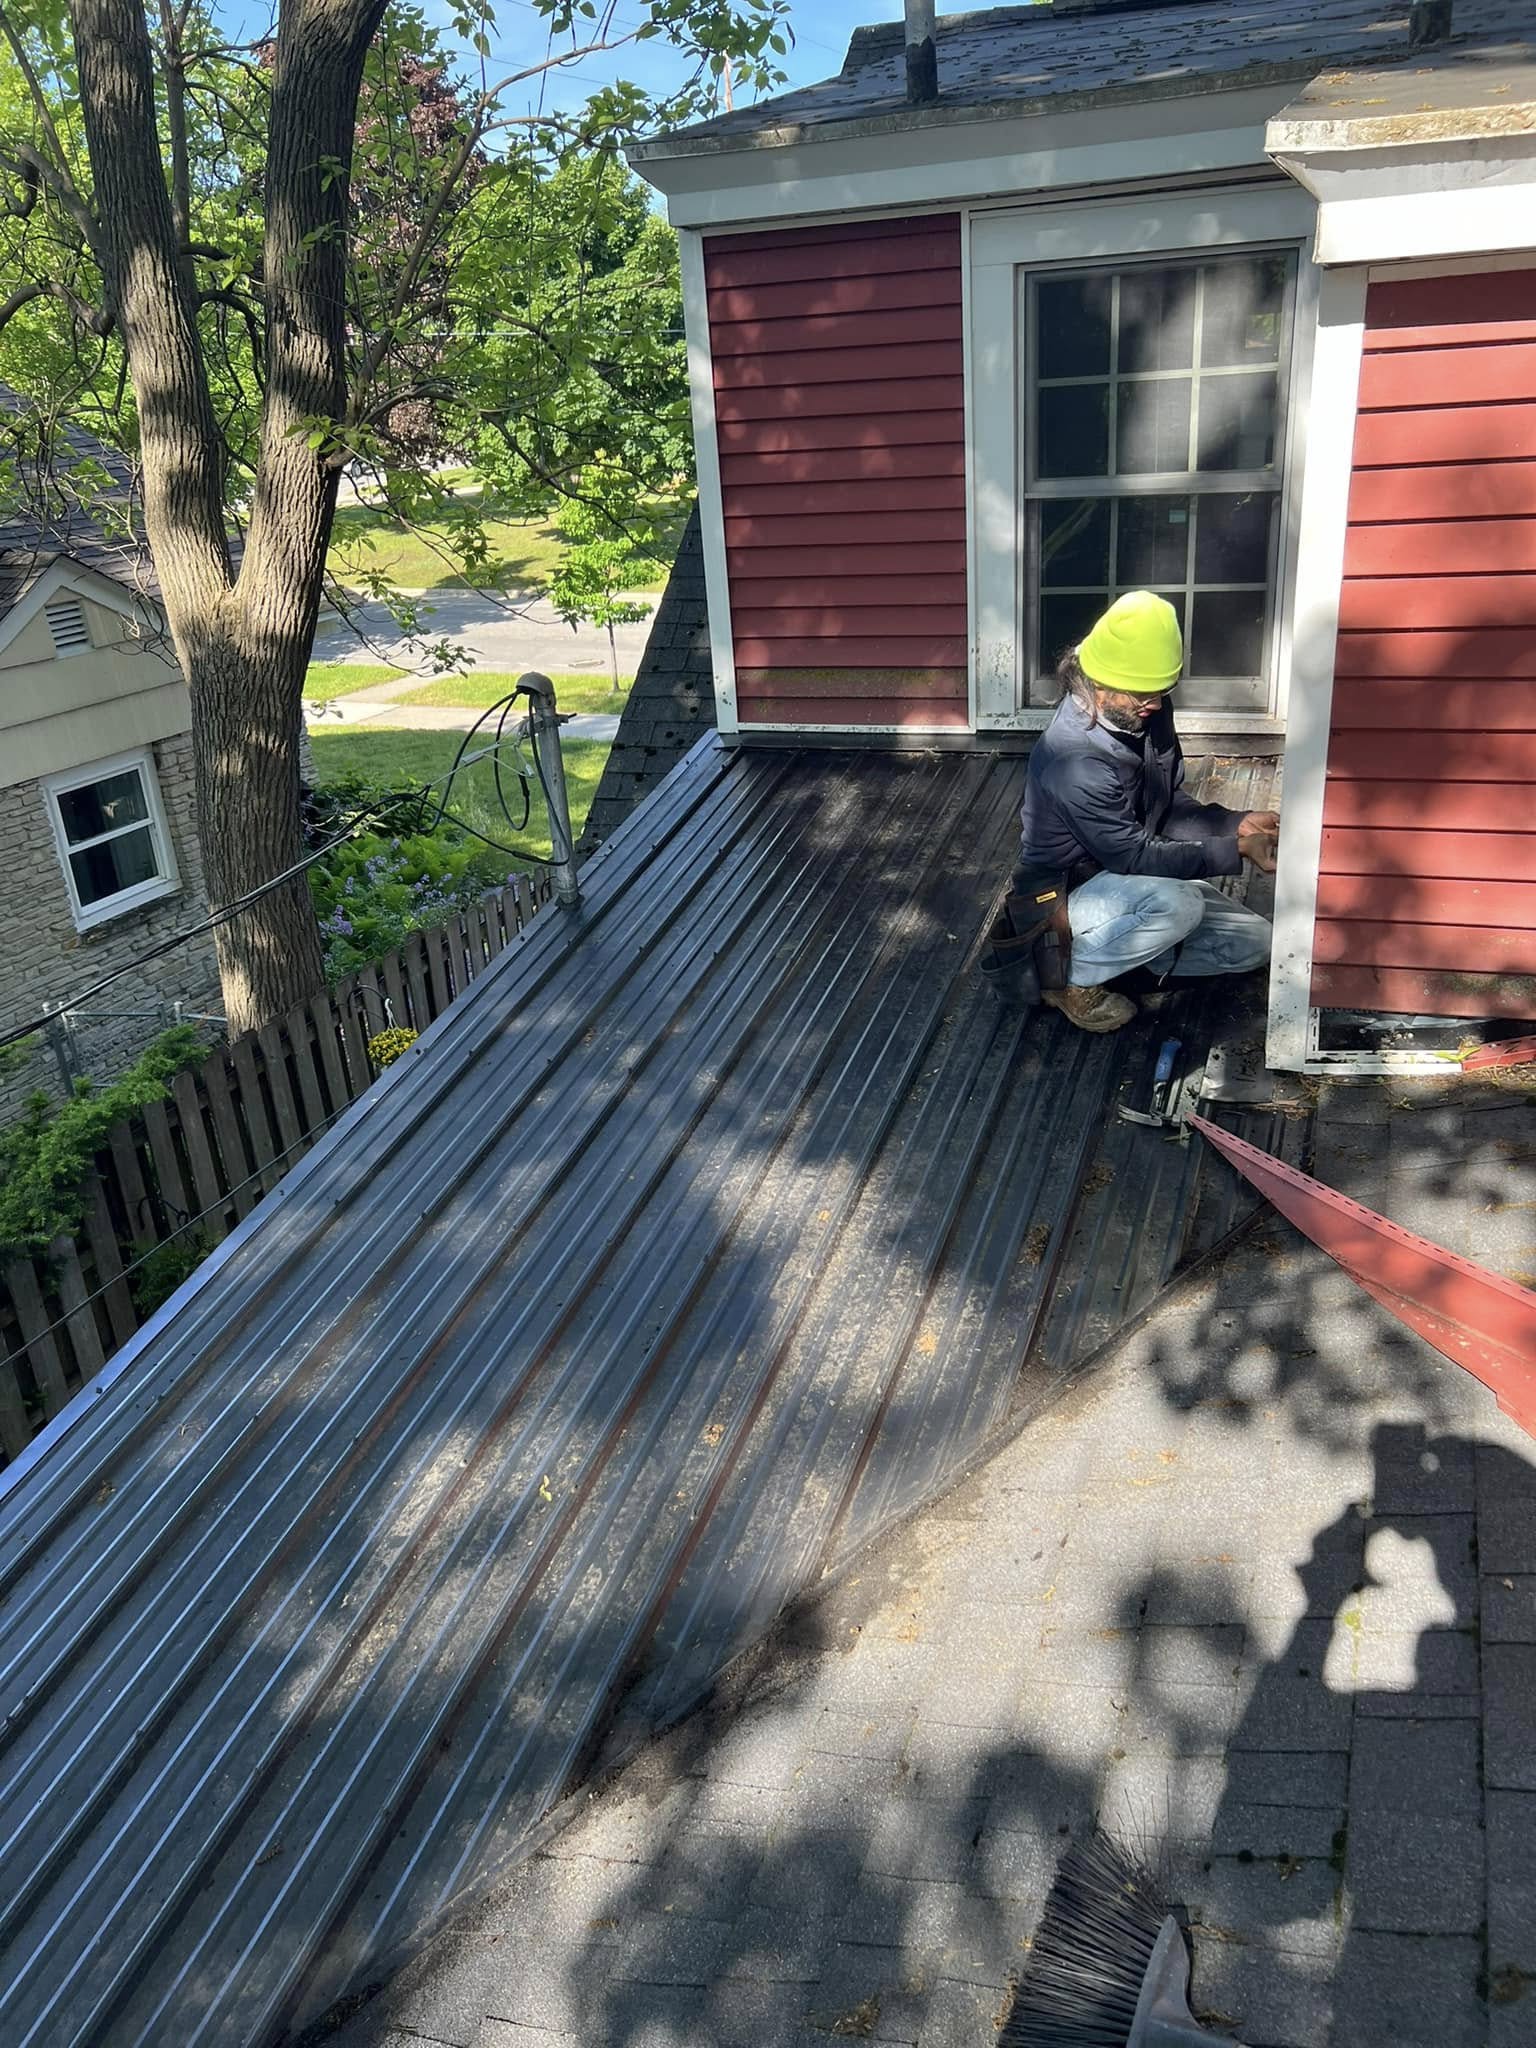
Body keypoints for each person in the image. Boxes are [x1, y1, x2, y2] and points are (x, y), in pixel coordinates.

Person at [1013, 590, 1279, 1034]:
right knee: (1179, 904)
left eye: (1163, 690)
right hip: (1065, 894)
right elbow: (1134, 856)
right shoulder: (1073, 759)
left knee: (1257, 945)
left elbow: (1167, 804)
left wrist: (1234, 822)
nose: (1154, 703)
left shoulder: (1147, 712)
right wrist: (1235, 850)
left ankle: (1121, 958)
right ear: (1098, 683)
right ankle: (1064, 976)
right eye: (1143, 693)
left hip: (1130, 882)